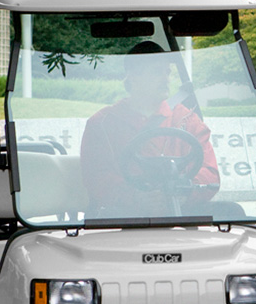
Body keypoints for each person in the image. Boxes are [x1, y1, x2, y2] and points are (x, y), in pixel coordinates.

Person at [80, 41, 219, 218]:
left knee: (231, 211)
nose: (166, 78)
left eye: (167, 72)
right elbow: (96, 178)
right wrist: (136, 198)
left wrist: (183, 193)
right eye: (157, 71)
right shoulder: (102, 124)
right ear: (132, 76)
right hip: (125, 220)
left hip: (180, 210)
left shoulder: (187, 120)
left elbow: (209, 173)